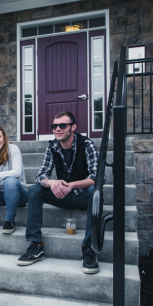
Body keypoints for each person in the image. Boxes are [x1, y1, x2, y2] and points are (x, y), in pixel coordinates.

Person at [18, 111, 100, 274]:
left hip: (83, 196)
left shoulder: (87, 144)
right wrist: (52, 182)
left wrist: (73, 185)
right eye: (54, 126)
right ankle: (35, 245)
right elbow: (40, 176)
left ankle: (89, 248)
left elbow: (97, 177)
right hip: (62, 196)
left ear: (73, 127)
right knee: (35, 190)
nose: (57, 129)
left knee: (95, 191)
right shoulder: (52, 146)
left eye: (62, 125)